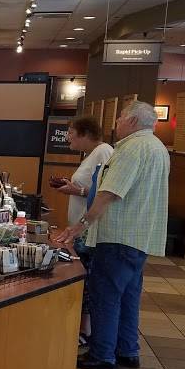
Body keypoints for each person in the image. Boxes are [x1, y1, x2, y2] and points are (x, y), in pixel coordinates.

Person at [58, 101, 169, 369]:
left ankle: (102, 354)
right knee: (129, 296)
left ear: (132, 121)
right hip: (140, 237)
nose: (116, 122)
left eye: (120, 118)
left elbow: (109, 193)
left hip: (117, 236)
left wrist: (80, 225)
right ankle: (127, 350)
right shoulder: (158, 148)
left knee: (105, 295)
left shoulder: (131, 149)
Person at [53, 116, 113, 345]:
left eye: (71, 132)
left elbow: (105, 192)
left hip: (89, 231)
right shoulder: (91, 154)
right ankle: (83, 330)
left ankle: (86, 332)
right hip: (81, 229)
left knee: (87, 282)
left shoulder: (103, 152)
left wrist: (76, 191)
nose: (67, 136)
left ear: (85, 133)